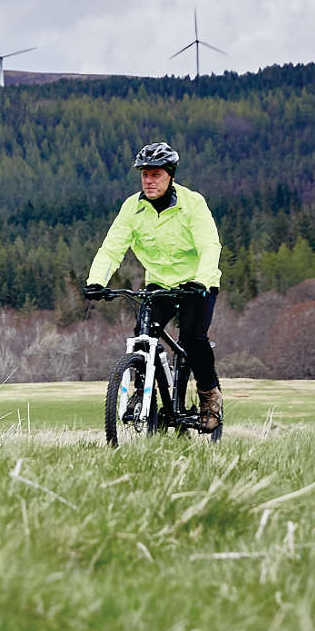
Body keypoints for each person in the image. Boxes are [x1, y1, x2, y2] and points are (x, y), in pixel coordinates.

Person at [83, 140, 224, 430]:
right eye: (144, 174)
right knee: (143, 336)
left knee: (193, 337)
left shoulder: (192, 204)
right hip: (159, 284)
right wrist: (96, 280)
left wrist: (201, 279)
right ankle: (143, 396)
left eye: (155, 174)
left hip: (197, 284)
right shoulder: (132, 208)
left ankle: (210, 396)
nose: (149, 180)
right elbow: (112, 249)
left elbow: (210, 245)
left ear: (170, 175)